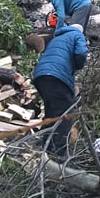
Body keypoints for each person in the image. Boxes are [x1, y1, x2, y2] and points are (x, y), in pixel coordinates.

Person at [33, 20, 88, 157]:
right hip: (56, 77)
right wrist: (78, 65)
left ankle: (45, 147)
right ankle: (59, 153)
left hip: (40, 76)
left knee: (51, 113)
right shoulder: (77, 35)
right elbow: (81, 53)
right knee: (66, 115)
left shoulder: (58, 37)